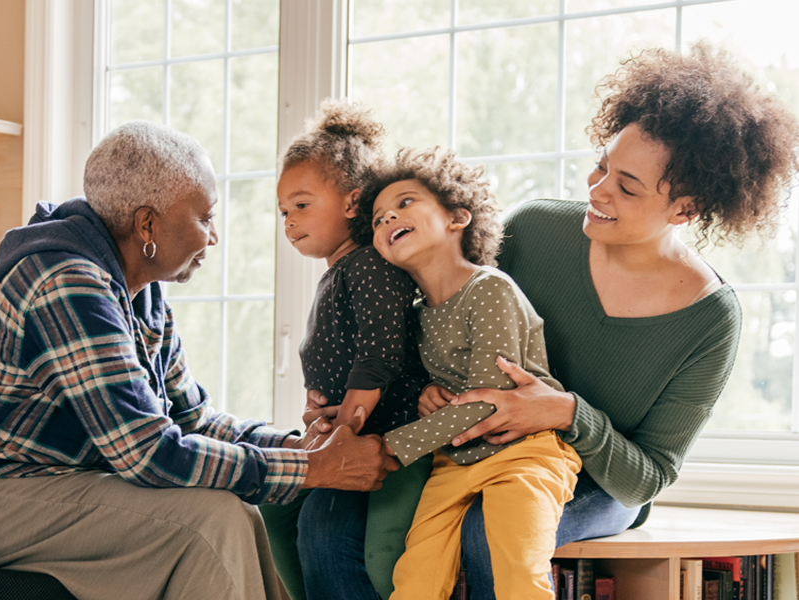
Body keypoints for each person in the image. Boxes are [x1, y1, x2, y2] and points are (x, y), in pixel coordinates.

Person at [304, 42, 799, 599]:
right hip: (469, 445)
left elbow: (649, 475)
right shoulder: (534, 231)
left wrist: (563, 411)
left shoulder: (710, 319)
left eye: (627, 186)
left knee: (487, 533)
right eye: (602, 164)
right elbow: (442, 318)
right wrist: (420, 392)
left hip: (593, 480)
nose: (597, 188)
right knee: (329, 517)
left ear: (685, 208)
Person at [0, 120, 399, 600]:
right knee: (209, 523)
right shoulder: (67, 282)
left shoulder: (141, 294)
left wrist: (297, 445)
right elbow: (146, 452)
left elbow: (192, 419)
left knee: (231, 511)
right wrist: (311, 469)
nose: (212, 236)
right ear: (147, 224)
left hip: (29, 482)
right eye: (204, 217)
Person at [361, 147, 580, 599]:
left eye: (404, 203)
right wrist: (429, 392)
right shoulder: (417, 312)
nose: (387, 219)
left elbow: (486, 401)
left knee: (519, 574)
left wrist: (387, 448)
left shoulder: (489, 288)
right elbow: (450, 385)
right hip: (453, 463)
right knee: (414, 581)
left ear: (457, 218)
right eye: (378, 217)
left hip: (525, 454)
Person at [260, 98, 431, 600]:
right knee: (292, 518)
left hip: (382, 434)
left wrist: (345, 428)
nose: (289, 221)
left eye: (302, 204)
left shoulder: (369, 266)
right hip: (347, 430)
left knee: (325, 530)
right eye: (284, 211)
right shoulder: (339, 272)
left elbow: (379, 354)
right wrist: (318, 410)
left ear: (354, 202)